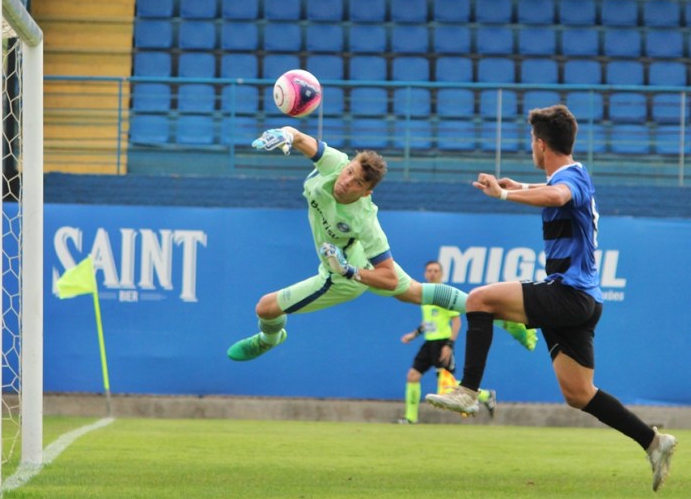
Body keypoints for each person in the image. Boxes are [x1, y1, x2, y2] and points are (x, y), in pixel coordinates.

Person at [425, 105, 677, 491]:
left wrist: (505, 197)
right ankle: (654, 441)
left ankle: (468, 391)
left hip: (569, 293)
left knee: (479, 299)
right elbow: (555, 191)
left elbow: (559, 196)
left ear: (541, 144)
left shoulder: (568, 181)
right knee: (579, 393)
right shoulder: (576, 174)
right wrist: (518, 187)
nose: (531, 146)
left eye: (532, 141)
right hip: (584, 302)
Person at [226, 126, 537, 364]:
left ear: (366, 193)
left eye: (358, 182)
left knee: (265, 308)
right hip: (350, 260)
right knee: (416, 292)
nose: (347, 181)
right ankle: (506, 318)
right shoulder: (335, 164)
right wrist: (285, 133)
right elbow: (299, 137)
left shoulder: (364, 220)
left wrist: (348, 272)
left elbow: (386, 275)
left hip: (343, 275)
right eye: (350, 173)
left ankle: (271, 338)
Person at [397, 260, 496, 425]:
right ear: (424, 274)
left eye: (436, 270)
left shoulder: (444, 294)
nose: (432, 273)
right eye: (429, 270)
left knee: (444, 385)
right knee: (412, 376)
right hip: (428, 343)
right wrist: (414, 334)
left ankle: (485, 395)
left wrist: (449, 345)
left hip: (442, 344)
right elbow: (429, 322)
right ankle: (410, 418)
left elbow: (457, 322)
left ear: (441, 274)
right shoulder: (425, 294)